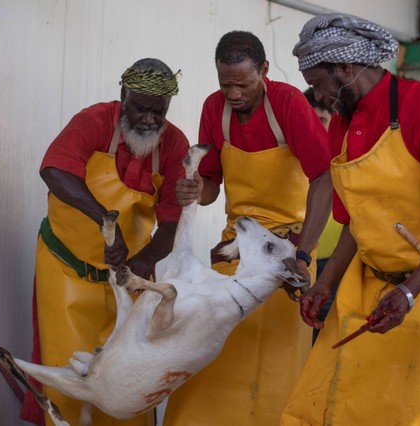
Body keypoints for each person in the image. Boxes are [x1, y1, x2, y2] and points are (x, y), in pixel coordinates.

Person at [281, 13, 420, 426]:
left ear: (344, 68)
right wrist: (324, 283)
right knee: (330, 409)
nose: (319, 96)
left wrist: (410, 292)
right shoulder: (341, 124)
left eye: (317, 84)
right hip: (370, 293)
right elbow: (353, 223)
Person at [165, 31, 333, 426]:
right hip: (234, 250)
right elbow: (210, 189)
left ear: (264, 71)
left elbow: (324, 178)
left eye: (243, 84)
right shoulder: (213, 108)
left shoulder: (289, 103)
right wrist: (195, 189)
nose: (234, 93)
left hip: (287, 254)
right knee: (214, 353)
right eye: (226, 84)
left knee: (275, 367)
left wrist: (304, 257)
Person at [20, 58, 190, 426]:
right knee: (68, 380)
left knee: (125, 386)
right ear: (123, 95)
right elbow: (55, 170)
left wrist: (146, 258)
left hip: (124, 279)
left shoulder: (175, 145)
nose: (148, 120)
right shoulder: (94, 121)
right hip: (66, 269)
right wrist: (104, 221)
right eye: (140, 108)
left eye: (157, 112)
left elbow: (171, 223)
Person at [303, 87, 343, 345]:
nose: (317, 130)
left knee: (325, 335)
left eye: (323, 121)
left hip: (334, 262)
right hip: (302, 260)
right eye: (311, 122)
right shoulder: (296, 159)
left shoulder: (343, 161)